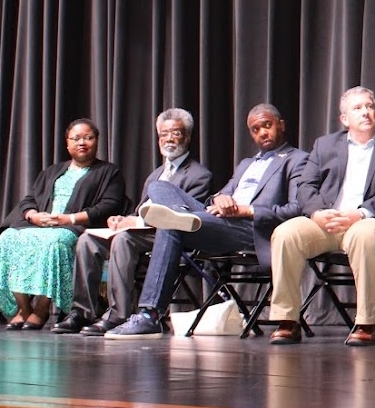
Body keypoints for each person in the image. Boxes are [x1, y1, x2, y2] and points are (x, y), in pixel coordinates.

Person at [94, 104, 309, 339]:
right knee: (160, 187)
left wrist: (246, 210)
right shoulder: (247, 164)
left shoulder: (297, 160)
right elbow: (215, 197)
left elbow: (296, 209)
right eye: (255, 129)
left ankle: (150, 315)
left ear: (281, 125)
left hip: (252, 228)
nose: (262, 133)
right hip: (216, 219)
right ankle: (179, 214)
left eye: (267, 126)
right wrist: (221, 198)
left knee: (171, 225)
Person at [266, 86, 375, 346]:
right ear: (344, 119)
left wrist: (360, 214)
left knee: (366, 235)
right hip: (327, 221)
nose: (365, 112)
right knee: (286, 233)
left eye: (369, 106)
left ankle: (368, 323)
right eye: (357, 108)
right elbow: (306, 186)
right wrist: (316, 214)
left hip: (370, 222)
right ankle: (287, 320)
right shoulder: (324, 145)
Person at [63, 108, 214, 336]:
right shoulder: (155, 175)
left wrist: (134, 224)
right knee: (88, 239)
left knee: (124, 240)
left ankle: (119, 314)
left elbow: (186, 217)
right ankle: (82, 312)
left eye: (175, 133)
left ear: (188, 137)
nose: (169, 139)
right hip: (143, 233)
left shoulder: (199, 175)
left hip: (173, 235)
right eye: (163, 134)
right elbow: (141, 211)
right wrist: (123, 219)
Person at [0, 119, 128, 329]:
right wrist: (33, 216)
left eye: (88, 138)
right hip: (41, 225)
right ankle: (24, 309)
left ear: (96, 141)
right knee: (8, 237)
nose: (82, 142)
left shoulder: (109, 172)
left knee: (55, 241)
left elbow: (109, 205)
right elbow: (30, 199)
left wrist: (69, 219)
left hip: (74, 228)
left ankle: (41, 309)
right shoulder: (53, 171)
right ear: (67, 144)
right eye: (76, 138)